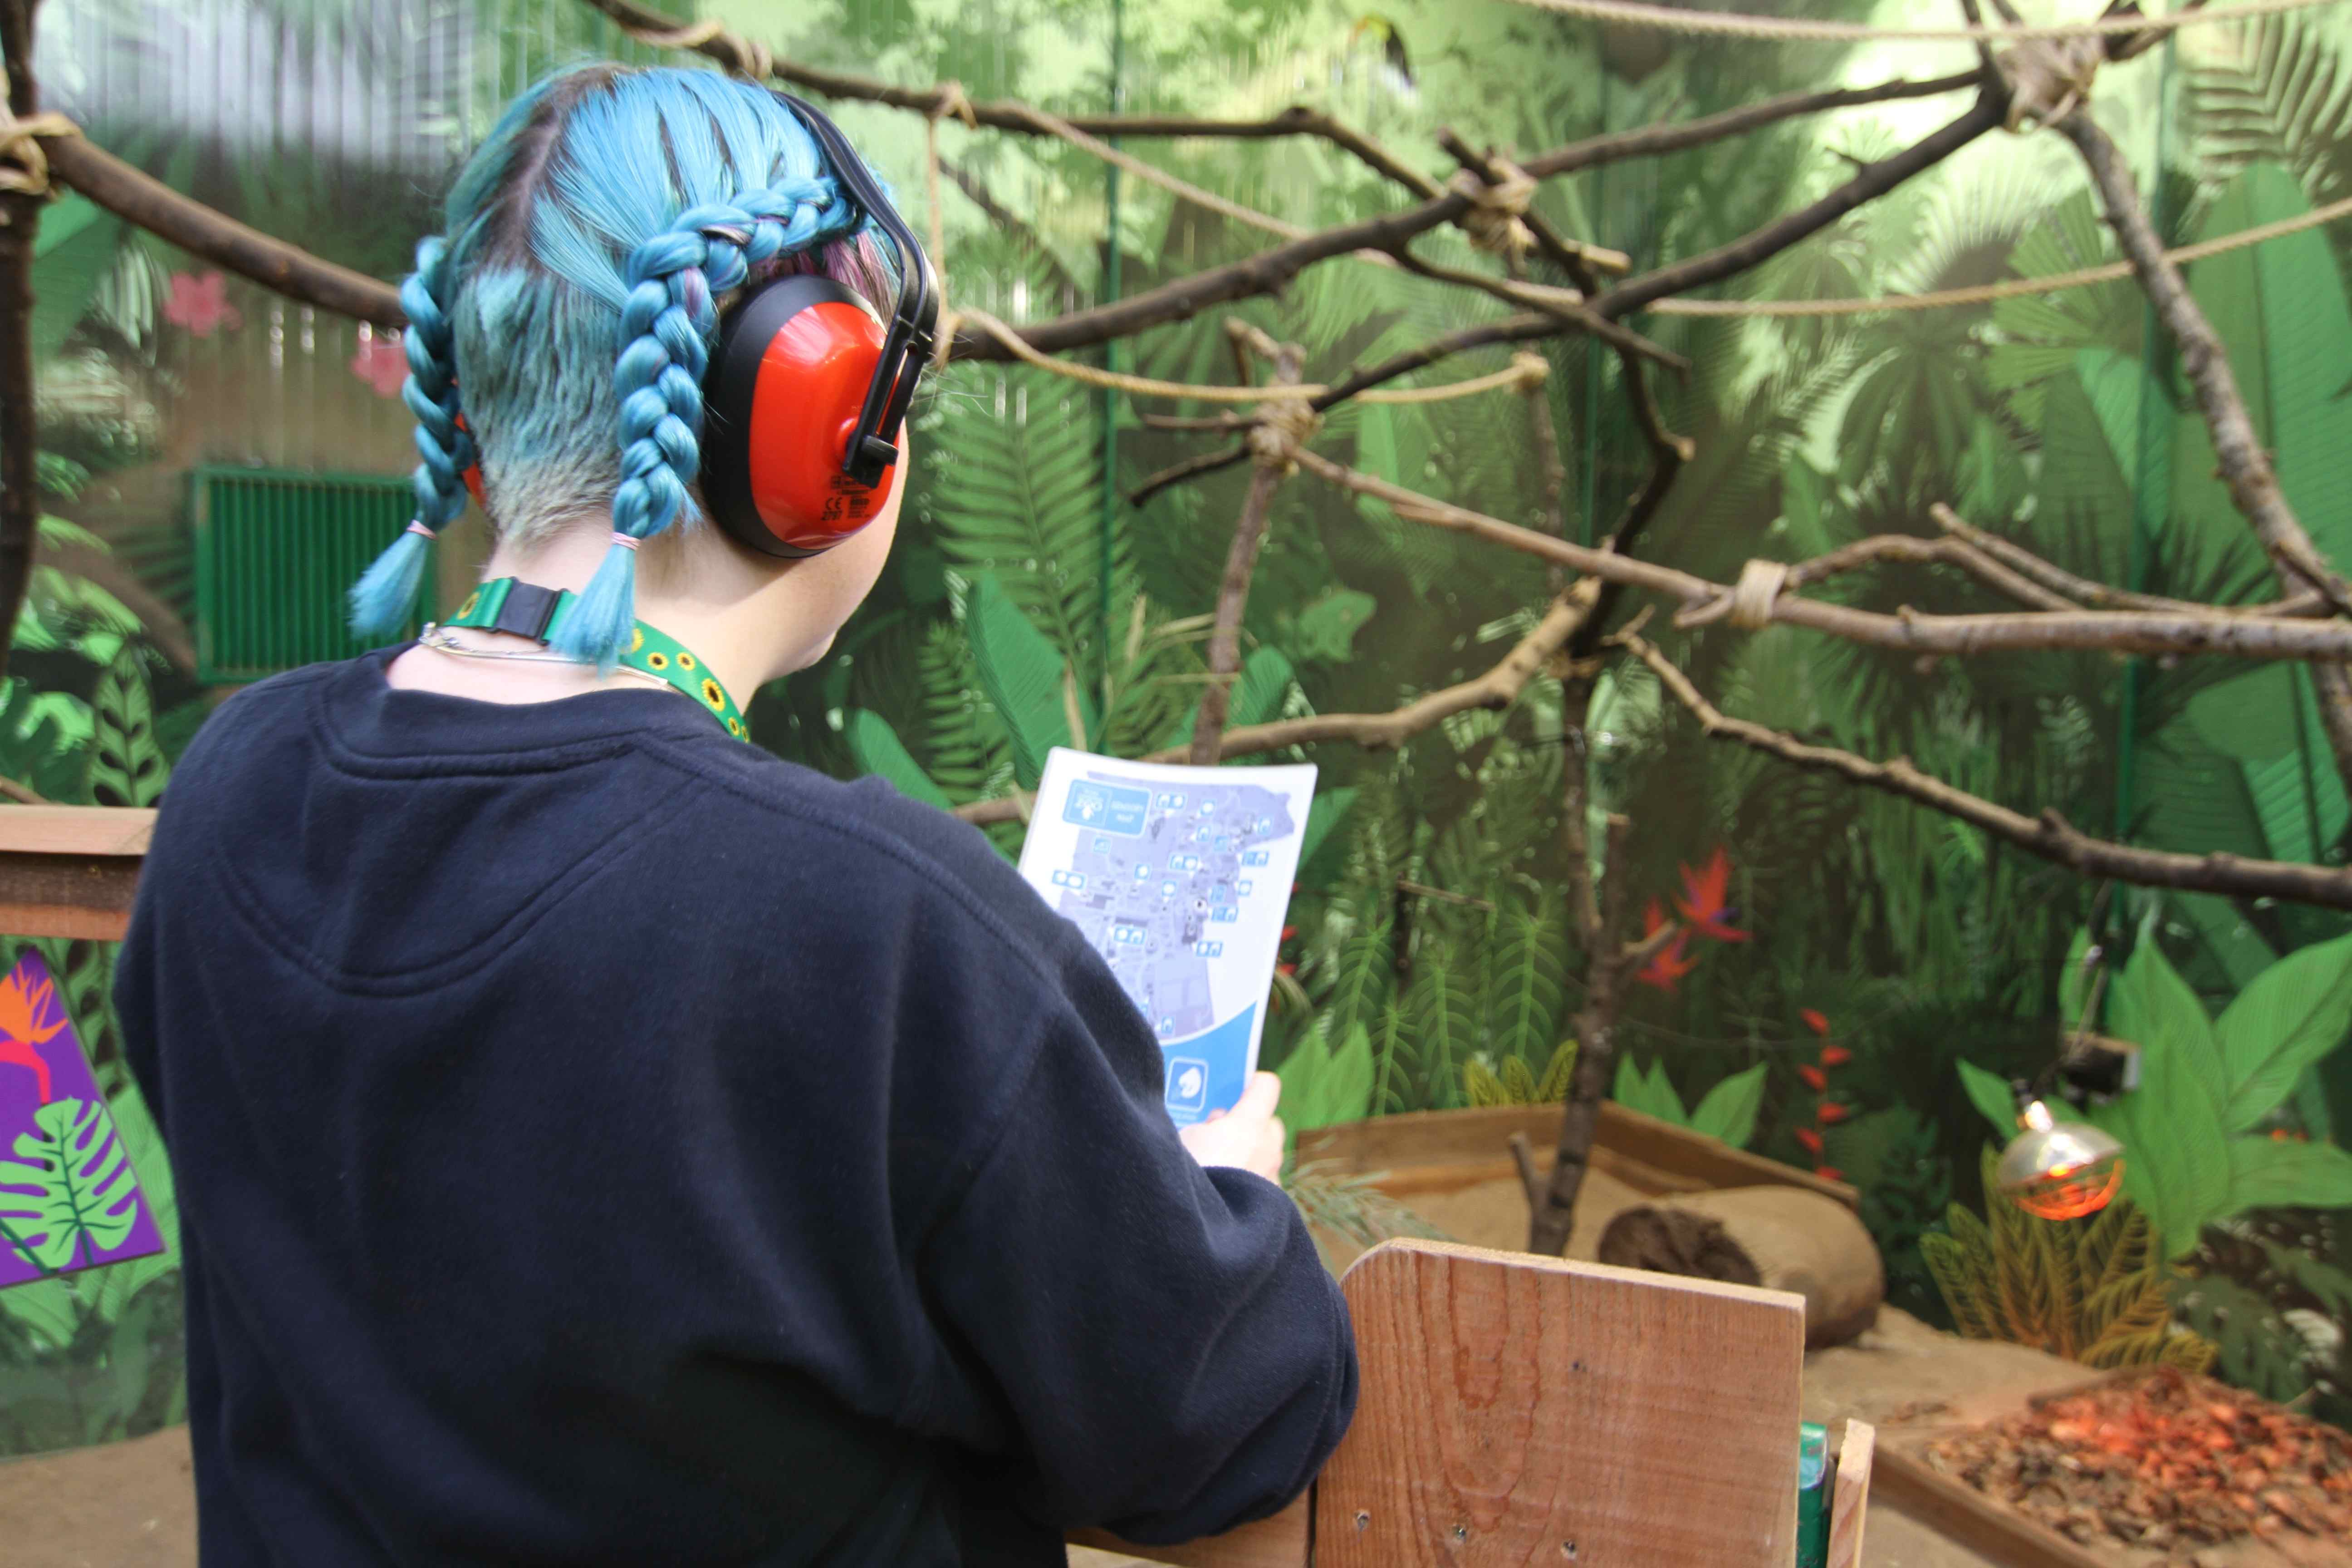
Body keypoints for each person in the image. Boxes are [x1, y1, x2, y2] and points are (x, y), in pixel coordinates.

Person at [114, 64, 1355, 1568]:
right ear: (821, 417)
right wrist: (1219, 1198)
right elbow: (1225, 1430)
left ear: (476, 391)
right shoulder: (870, 925)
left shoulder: (231, 799)